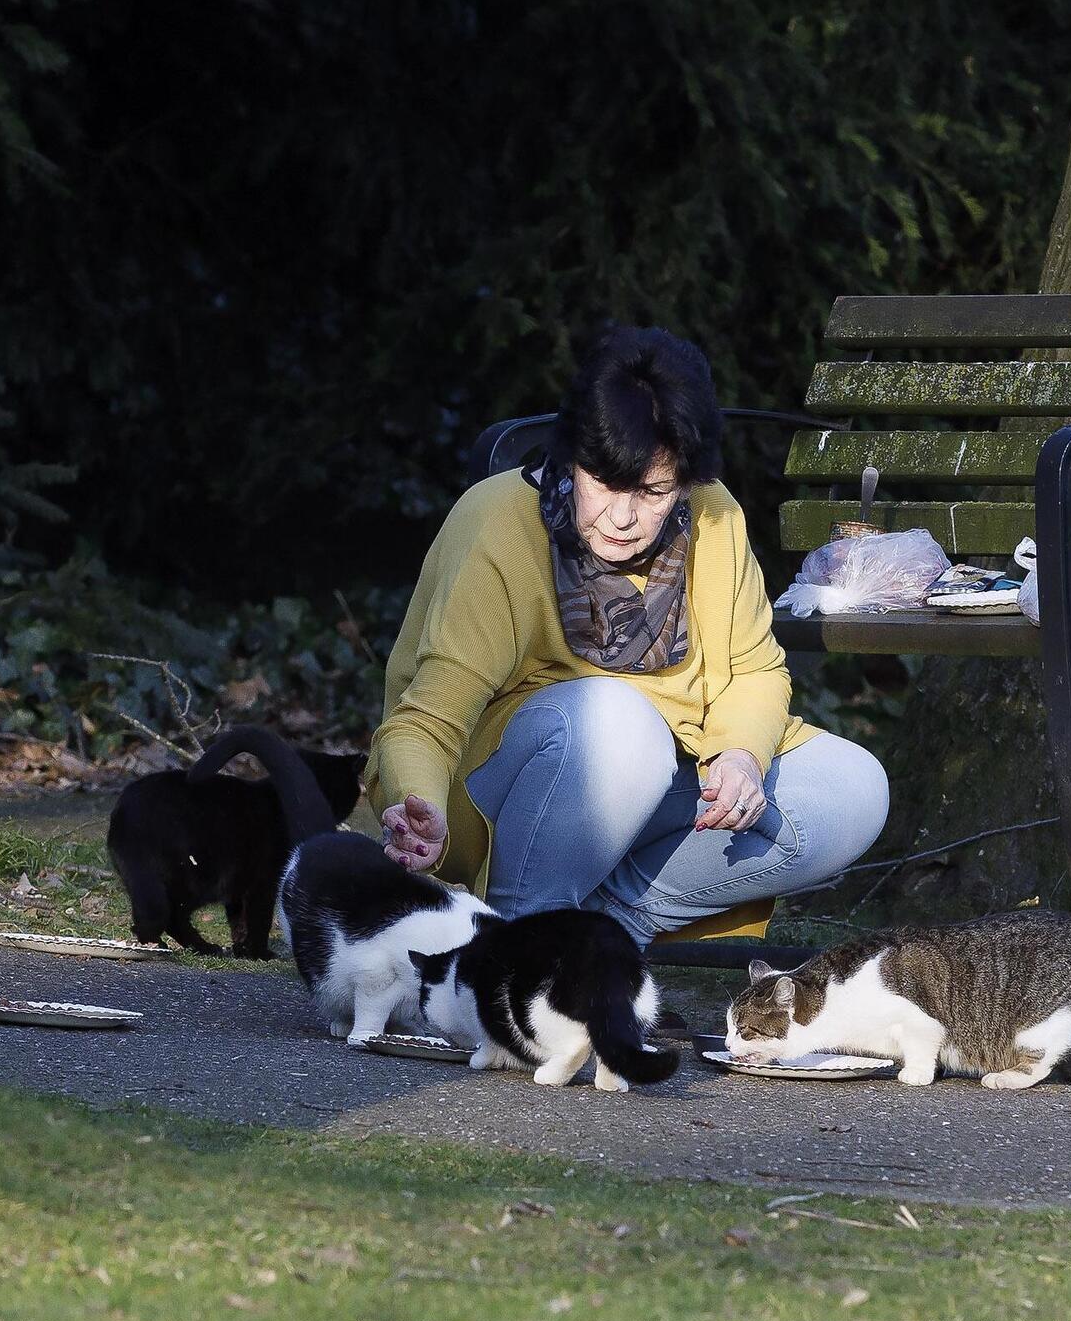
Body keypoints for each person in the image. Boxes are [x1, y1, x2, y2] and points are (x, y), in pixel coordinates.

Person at [362, 325, 889, 939]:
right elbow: (424, 721)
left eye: (653, 491)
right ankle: (517, 944)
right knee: (620, 722)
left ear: (687, 483)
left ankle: (603, 929)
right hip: (494, 799)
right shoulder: (497, 525)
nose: (622, 516)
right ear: (572, 459)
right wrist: (413, 803)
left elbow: (754, 669)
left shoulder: (714, 518)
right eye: (605, 483)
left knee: (853, 789)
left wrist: (742, 755)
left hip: (662, 779)